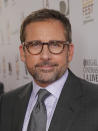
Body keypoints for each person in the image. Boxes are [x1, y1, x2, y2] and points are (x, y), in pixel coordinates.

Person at [0, 8, 98, 131]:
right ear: (23, 53)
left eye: (55, 44)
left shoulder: (95, 100)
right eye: (35, 44)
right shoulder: (6, 102)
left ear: (70, 52)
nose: (45, 56)